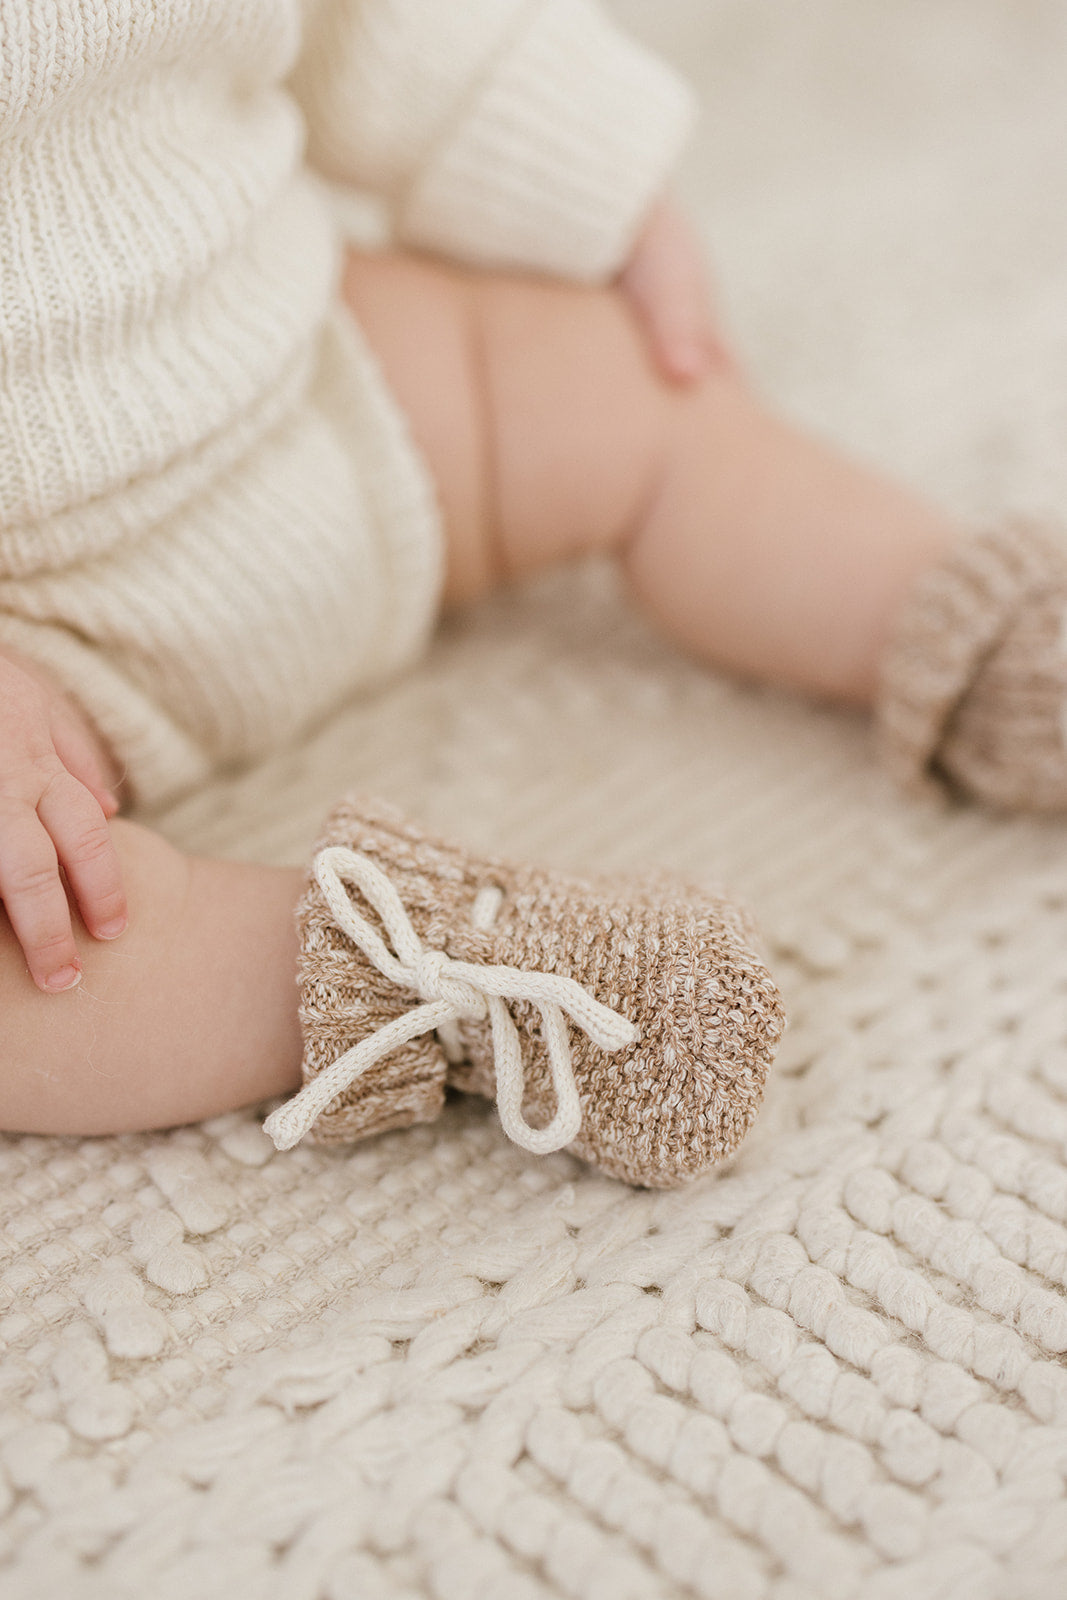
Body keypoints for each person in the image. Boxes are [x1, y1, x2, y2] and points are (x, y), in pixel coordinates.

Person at [1, 1, 1063, 1185]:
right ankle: (458, 969)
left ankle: (975, 630)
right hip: (44, 657)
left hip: (308, 385)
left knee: (622, 383)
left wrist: (590, 180)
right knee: (34, 958)